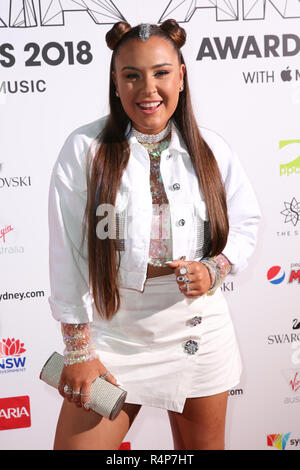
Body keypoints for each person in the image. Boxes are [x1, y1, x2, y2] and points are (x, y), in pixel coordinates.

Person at [48, 19, 261, 450]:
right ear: (115, 81)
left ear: (181, 76)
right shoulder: (84, 149)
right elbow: (65, 251)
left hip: (198, 330)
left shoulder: (212, 148)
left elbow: (246, 223)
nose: (148, 88)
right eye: (132, 75)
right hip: (113, 331)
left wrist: (215, 268)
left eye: (161, 72)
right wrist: (77, 349)